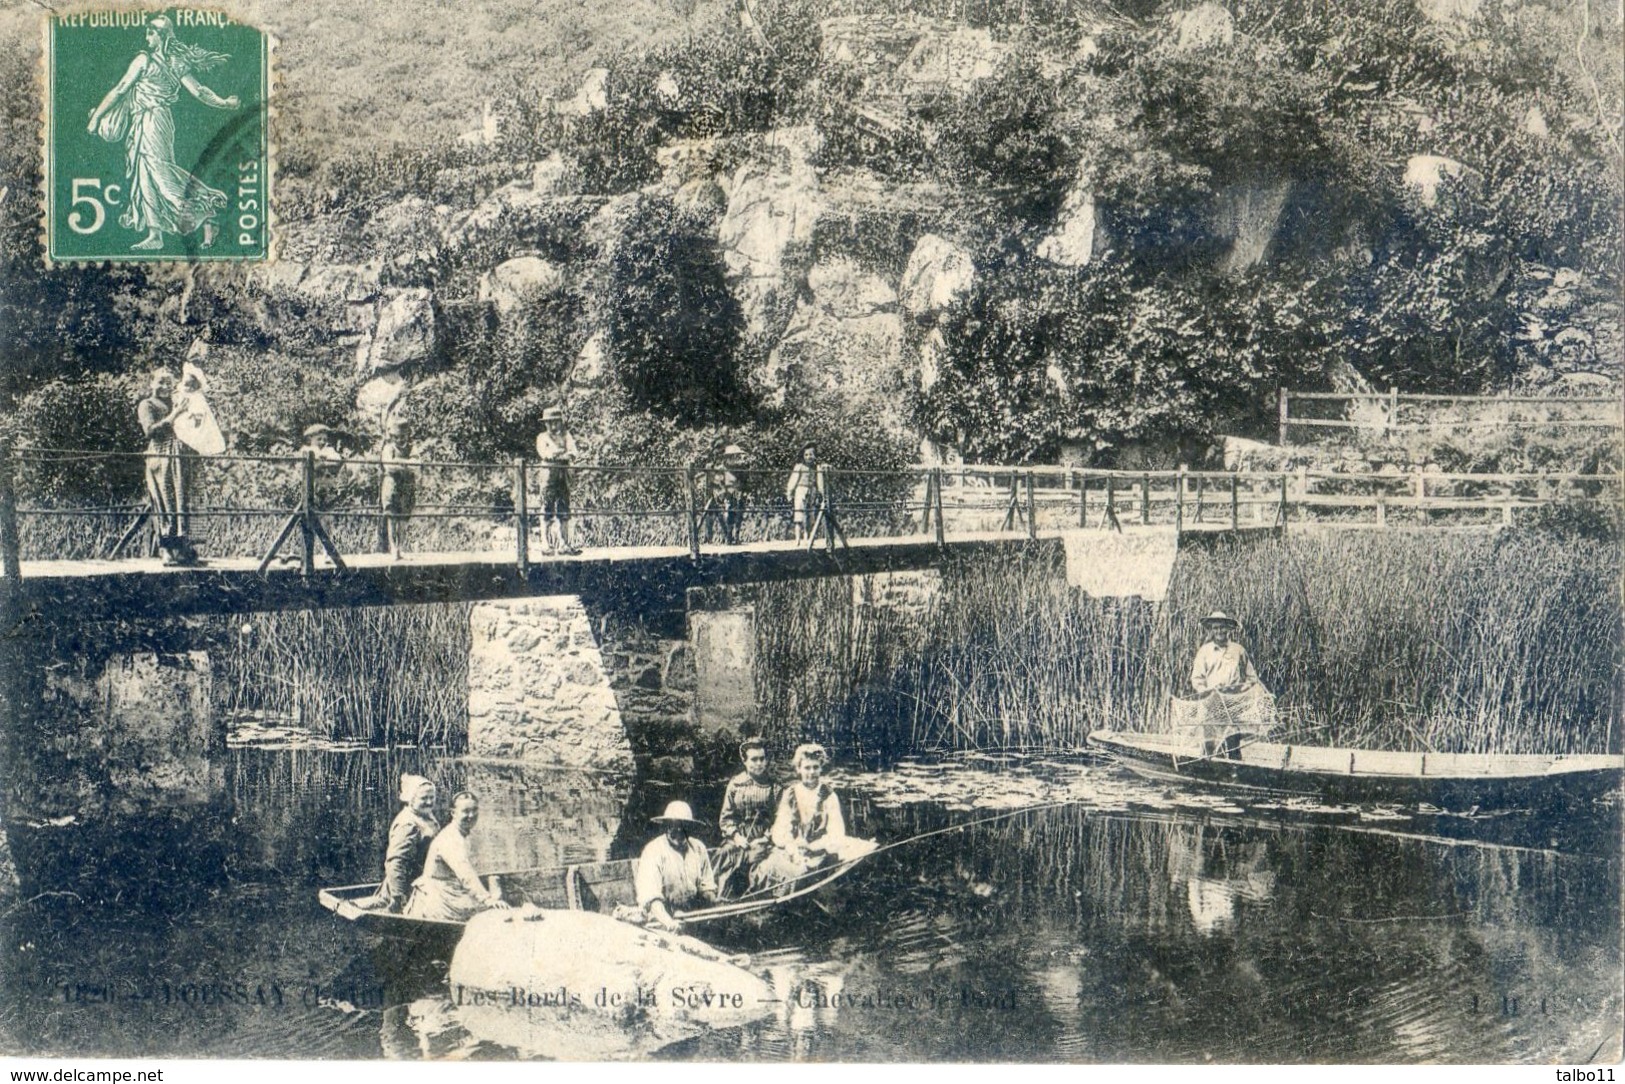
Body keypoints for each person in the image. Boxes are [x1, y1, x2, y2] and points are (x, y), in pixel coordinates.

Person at [85, 15, 241, 251]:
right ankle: (155, 234)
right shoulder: (158, 60)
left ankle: (207, 213)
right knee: (144, 175)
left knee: (160, 173)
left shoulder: (150, 60)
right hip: (142, 121)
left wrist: (223, 103)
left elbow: (121, 90)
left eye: (151, 32)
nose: (147, 37)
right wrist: (224, 103)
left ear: (162, 36)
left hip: (155, 121)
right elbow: (198, 91)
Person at [753, 743, 875, 893]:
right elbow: (780, 829)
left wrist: (813, 846)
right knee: (772, 867)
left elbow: (836, 833)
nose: (811, 772)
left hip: (820, 850)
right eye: (807, 767)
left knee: (806, 874)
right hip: (794, 849)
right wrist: (792, 846)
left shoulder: (829, 795)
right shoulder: (790, 793)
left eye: (815, 767)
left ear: (821, 768)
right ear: (798, 769)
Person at [403, 792, 510, 922]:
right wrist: (487, 898)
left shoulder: (461, 833)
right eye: (465, 811)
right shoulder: (450, 838)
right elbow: (465, 873)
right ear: (453, 813)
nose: (471, 815)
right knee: (492, 914)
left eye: (474, 810)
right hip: (440, 900)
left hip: (452, 891)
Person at [356, 774, 440, 913]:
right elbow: (396, 862)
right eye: (424, 798)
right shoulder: (408, 824)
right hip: (408, 886)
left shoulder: (425, 816)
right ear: (411, 799)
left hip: (426, 881)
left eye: (432, 797)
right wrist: (398, 897)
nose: (429, 802)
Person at [710, 739, 778, 898]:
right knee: (725, 854)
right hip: (738, 837)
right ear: (745, 760)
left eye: (762, 759)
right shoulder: (735, 784)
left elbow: (780, 819)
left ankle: (746, 898)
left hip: (764, 839)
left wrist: (765, 838)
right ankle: (714, 896)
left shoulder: (774, 786)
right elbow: (726, 818)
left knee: (755, 859)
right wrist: (737, 837)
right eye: (754, 759)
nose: (759, 763)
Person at [634, 801, 717, 931]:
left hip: (691, 916)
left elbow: (707, 888)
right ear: (666, 826)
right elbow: (651, 899)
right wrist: (669, 923)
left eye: (683, 826)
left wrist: (713, 905)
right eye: (674, 825)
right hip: (660, 920)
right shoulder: (654, 851)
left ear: (690, 827)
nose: (679, 830)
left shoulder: (698, 848)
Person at [136, 369, 183, 553]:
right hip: (160, 455)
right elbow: (150, 431)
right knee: (164, 501)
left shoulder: (174, 403)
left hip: (177, 457)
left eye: (168, 383)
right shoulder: (146, 404)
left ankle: (182, 548)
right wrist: (173, 416)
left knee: (180, 501)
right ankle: (166, 550)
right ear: (152, 383)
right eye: (160, 382)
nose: (164, 387)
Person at [534, 406, 580, 556]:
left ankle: (563, 543)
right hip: (548, 476)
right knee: (546, 507)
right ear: (545, 424)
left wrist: (562, 455)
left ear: (560, 422)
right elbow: (545, 454)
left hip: (563, 475)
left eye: (556, 422)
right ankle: (545, 544)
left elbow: (573, 453)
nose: (553, 426)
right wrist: (560, 454)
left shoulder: (567, 436)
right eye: (549, 423)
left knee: (564, 508)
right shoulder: (542, 437)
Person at [1188, 611, 1259, 696]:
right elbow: (1197, 678)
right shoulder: (1204, 651)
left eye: (1222, 627)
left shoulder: (1238, 650)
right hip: (1212, 700)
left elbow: (1252, 677)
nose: (1219, 631)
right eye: (1215, 628)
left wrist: (1243, 690)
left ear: (1228, 628)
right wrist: (1206, 692)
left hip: (1234, 700)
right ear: (1211, 630)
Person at [377, 419, 415, 561]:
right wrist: (405, 464)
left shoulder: (412, 448)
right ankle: (393, 549)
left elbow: (416, 464)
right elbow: (388, 465)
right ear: (392, 436)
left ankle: (401, 548)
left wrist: (399, 463)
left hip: (407, 486)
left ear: (407, 435)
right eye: (397, 437)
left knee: (404, 519)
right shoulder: (388, 448)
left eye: (403, 436)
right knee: (392, 517)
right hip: (392, 485)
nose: (400, 439)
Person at [785, 443, 820, 543]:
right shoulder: (799, 466)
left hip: (811, 490)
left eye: (811, 454)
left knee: (810, 514)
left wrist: (817, 493)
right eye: (806, 455)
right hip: (801, 490)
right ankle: (797, 538)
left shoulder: (815, 468)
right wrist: (789, 492)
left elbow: (817, 482)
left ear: (814, 455)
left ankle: (807, 537)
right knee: (799, 513)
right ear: (803, 456)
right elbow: (793, 480)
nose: (809, 457)